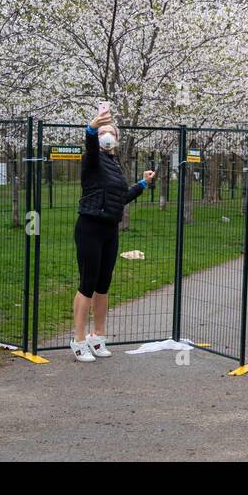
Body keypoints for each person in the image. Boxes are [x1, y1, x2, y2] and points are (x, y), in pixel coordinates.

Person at [72, 104, 155, 363]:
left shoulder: (115, 165)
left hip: (110, 228)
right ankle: (78, 340)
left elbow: (120, 197)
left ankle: (99, 337)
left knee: (103, 285)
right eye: (102, 133)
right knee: (87, 284)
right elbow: (89, 144)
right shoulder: (93, 159)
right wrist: (92, 127)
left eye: (111, 133)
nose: (106, 136)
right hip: (90, 226)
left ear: (117, 140)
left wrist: (143, 184)